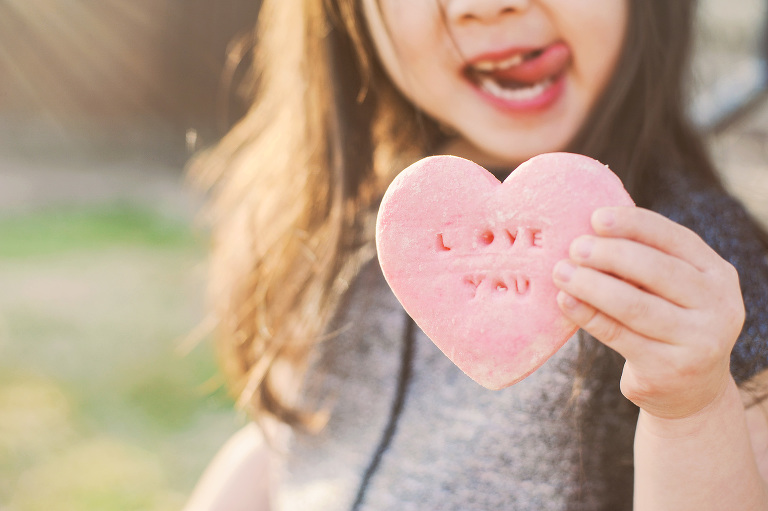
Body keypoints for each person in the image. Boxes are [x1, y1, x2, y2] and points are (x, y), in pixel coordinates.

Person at [184, 0, 768, 509]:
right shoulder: (341, 207)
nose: (488, 3)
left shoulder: (692, 273)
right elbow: (290, 450)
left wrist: (692, 408)